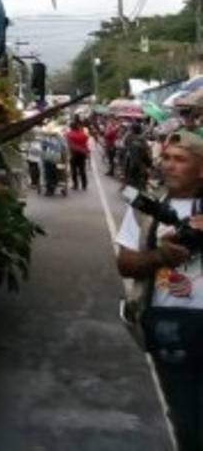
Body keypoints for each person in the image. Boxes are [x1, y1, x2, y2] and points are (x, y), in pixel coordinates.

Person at [116, 131, 203, 450]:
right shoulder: (144, 207)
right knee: (184, 418)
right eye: (165, 158)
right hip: (168, 325)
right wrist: (161, 257)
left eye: (180, 159)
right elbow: (125, 264)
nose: (169, 165)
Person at [65, 117, 91, 191]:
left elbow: (69, 145)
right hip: (82, 153)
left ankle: (75, 185)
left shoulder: (69, 134)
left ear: (71, 127)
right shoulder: (83, 134)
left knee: (74, 170)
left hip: (74, 154)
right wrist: (86, 151)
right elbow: (86, 142)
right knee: (82, 169)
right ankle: (84, 185)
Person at [41, 127, 67, 195]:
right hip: (56, 157)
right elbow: (64, 147)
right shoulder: (59, 138)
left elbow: (43, 147)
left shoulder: (47, 138)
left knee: (50, 172)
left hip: (51, 157)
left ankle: (50, 187)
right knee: (56, 171)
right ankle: (52, 185)